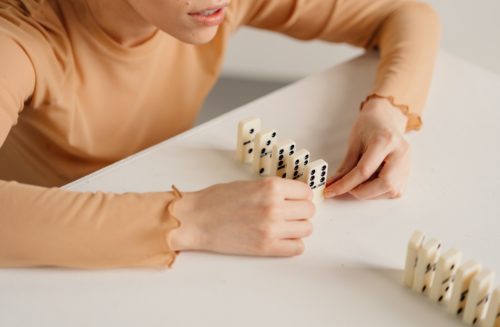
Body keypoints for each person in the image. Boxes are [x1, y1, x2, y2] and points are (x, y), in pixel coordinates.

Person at [0, 0, 441, 268]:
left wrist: (388, 111)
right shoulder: (21, 35)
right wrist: (193, 220)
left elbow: (405, 14)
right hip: (49, 254)